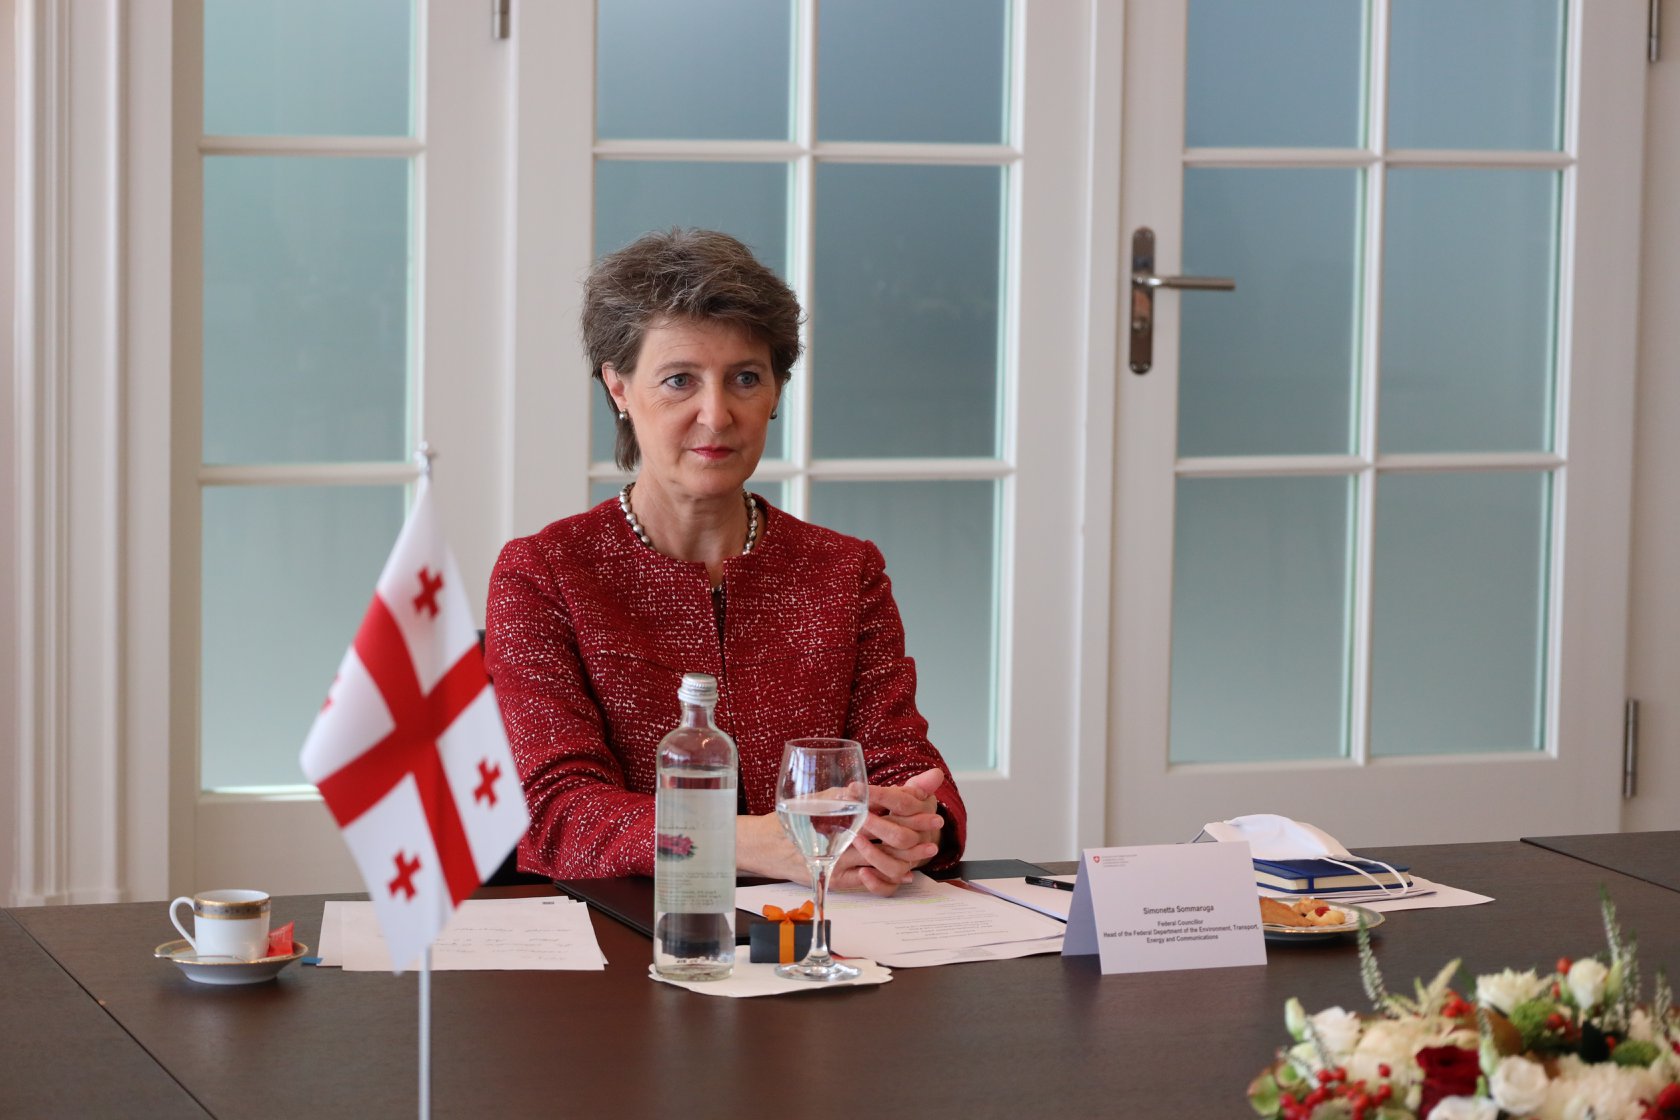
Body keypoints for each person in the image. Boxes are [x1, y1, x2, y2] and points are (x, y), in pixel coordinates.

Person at [485, 228, 966, 896]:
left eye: (745, 378)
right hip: (628, 933)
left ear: (776, 391)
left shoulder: (845, 570)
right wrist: (756, 843)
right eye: (679, 381)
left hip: (829, 925)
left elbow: (901, 760)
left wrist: (911, 819)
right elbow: (560, 813)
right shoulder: (545, 573)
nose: (716, 415)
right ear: (618, 387)